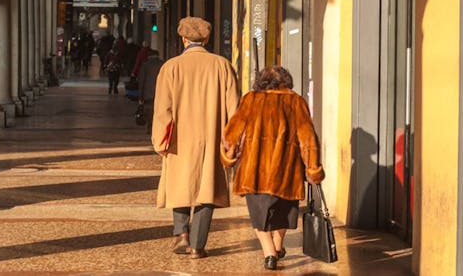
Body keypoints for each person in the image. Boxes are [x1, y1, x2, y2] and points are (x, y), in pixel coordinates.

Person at [220, 65, 325, 271]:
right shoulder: (296, 101)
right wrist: (313, 168)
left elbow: (231, 133)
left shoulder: (250, 99)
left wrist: (229, 156)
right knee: (285, 213)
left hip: (255, 171)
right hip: (287, 171)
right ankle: (277, 246)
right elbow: (308, 138)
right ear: (287, 81)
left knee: (259, 215)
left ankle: (270, 253)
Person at [151, 17, 239, 259]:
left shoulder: (171, 67)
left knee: (181, 184)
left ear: (183, 39)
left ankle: (181, 234)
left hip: (180, 139)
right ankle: (198, 245)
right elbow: (235, 109)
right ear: (207, 39)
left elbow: (162, 110)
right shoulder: (223, 65)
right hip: (213, 138)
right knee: (207, 188)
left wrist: (160, 141)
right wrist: (232, 141)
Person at [137, 48, 163, 134]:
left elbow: (141, 81)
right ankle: (157, 127)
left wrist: (140, 96)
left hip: (148, 93)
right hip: (161, 93)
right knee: (159, 111)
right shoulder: (163, 64)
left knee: (149, 111)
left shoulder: (145, 65)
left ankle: (150, 126)